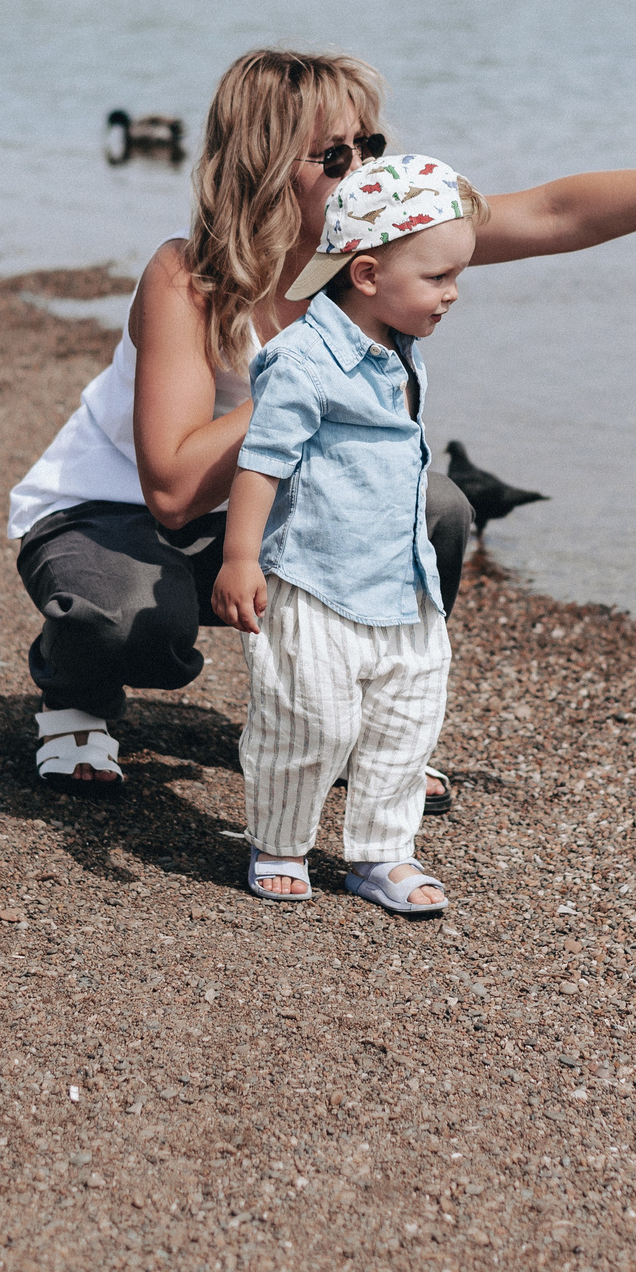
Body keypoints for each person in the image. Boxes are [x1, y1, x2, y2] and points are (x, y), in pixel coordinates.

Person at [8, 47, 636, 795]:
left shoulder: (377, 245)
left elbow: (554, 212)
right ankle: (78, 695)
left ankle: (360, 725)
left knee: (436, 508)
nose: (364, 169)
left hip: (264, 512)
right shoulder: (187, 276)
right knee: (131, 623)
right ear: (265, 166)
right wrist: (315, 356)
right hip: (114, 517)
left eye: (371, 146)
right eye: (335, 155)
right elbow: (169, 489)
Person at [210, 155, 482, 912]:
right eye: (438, 277)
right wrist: (240, 557)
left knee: (406, 723)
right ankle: (280, 840)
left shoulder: (401, 350)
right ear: (366, 275)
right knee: (310, 722)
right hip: (316, 582)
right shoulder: (302, 361)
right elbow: (261, 462)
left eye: (458, 275)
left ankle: (382, 853)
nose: (453, 293)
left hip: (402, 579)